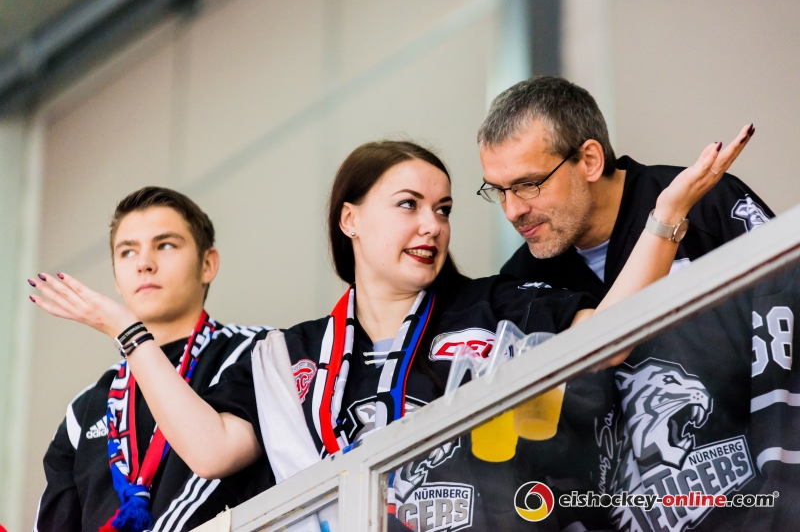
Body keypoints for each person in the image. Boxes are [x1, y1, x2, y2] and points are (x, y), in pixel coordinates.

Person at [29, 135, 744, 531]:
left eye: (443, 208)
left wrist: (664, 221)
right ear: (351, 219)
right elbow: (212, 451)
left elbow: (611, 340)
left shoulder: (491, 302)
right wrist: (127, 331)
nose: (432, 224)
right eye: (408, 205)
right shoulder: (286, 355)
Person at [476, 76, 781, 531]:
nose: (511, 210)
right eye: (498, 190)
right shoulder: (522, 282)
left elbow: (788, 351)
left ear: (590, 160)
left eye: (528, 184)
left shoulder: (707, 206)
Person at [32, 188, 270, 532]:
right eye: (127, 251)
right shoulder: (85, 409)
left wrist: (127, 332)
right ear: (116, 277)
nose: (144, 263)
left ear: (207, 264)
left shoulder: (257, 353)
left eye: (166, 245)